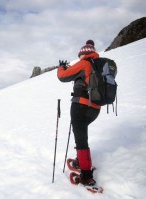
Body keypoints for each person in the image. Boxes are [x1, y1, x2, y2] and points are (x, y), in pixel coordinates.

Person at [57, 40, 100, 186]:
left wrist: (61, 67)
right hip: (95, 108)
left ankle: (86, 176)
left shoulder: (85, 63)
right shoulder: (99, 65)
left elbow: (62, 76)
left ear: (83, 53)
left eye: (80, 55)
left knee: (81, 139)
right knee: (82, 136)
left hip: (81, 107)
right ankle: (81, 161)